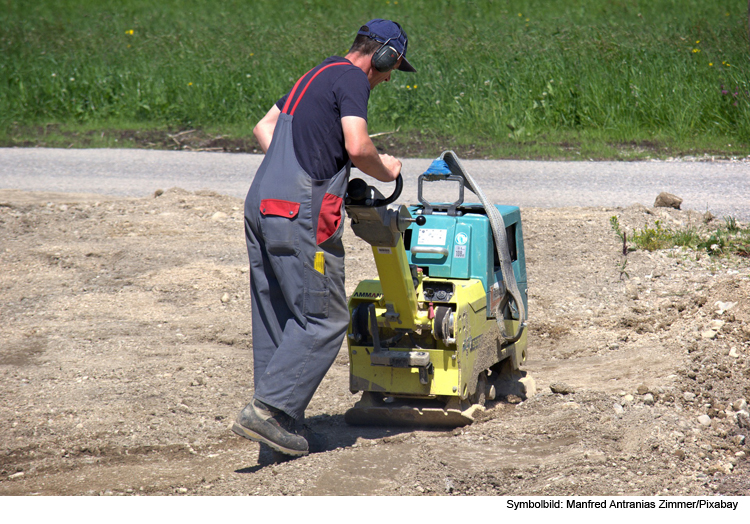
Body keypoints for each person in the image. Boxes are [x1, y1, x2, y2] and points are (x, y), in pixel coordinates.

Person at [232, 19, 416, 456]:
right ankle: (271, 412)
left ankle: (277, 431)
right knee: (324, 317)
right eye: (392, 68)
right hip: (301, 212)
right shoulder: (353, 78)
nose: (390, 78)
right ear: (384, 55)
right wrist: (386, 169)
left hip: (261, 204)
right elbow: (356, 146)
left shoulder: (315, 73)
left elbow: (264, 127)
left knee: (279, 316)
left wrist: (292, 172)